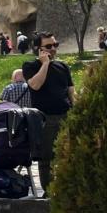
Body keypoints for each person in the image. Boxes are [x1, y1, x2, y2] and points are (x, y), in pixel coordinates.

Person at [22, 32, 74, 194]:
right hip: (45, 118)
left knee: (69, 154)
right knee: (47, 158)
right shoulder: (30, 66)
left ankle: (68, 189)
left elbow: (71, 92)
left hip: (66, 115)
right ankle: (49, 192)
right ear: (38, 48)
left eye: (55, 45)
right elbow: (35, 85)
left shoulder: (63, 66)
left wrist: (77, 112)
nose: (53, 49)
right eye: (49, 46)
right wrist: (45, 64)